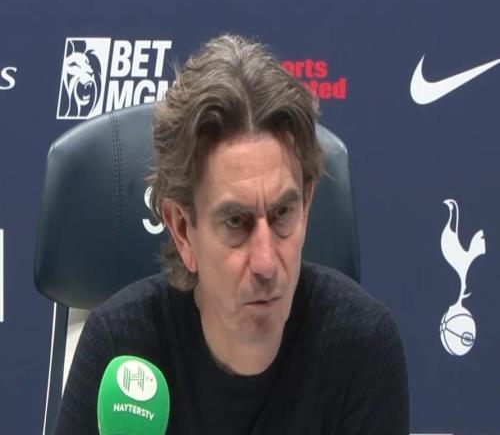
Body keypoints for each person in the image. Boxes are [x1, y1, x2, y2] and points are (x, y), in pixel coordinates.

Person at [55, 34, 409, 434]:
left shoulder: (361, 347)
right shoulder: (120, 351)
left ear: (307, 204)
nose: (266, 263)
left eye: (282, 214)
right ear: (182, 230)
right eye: (236, 223)